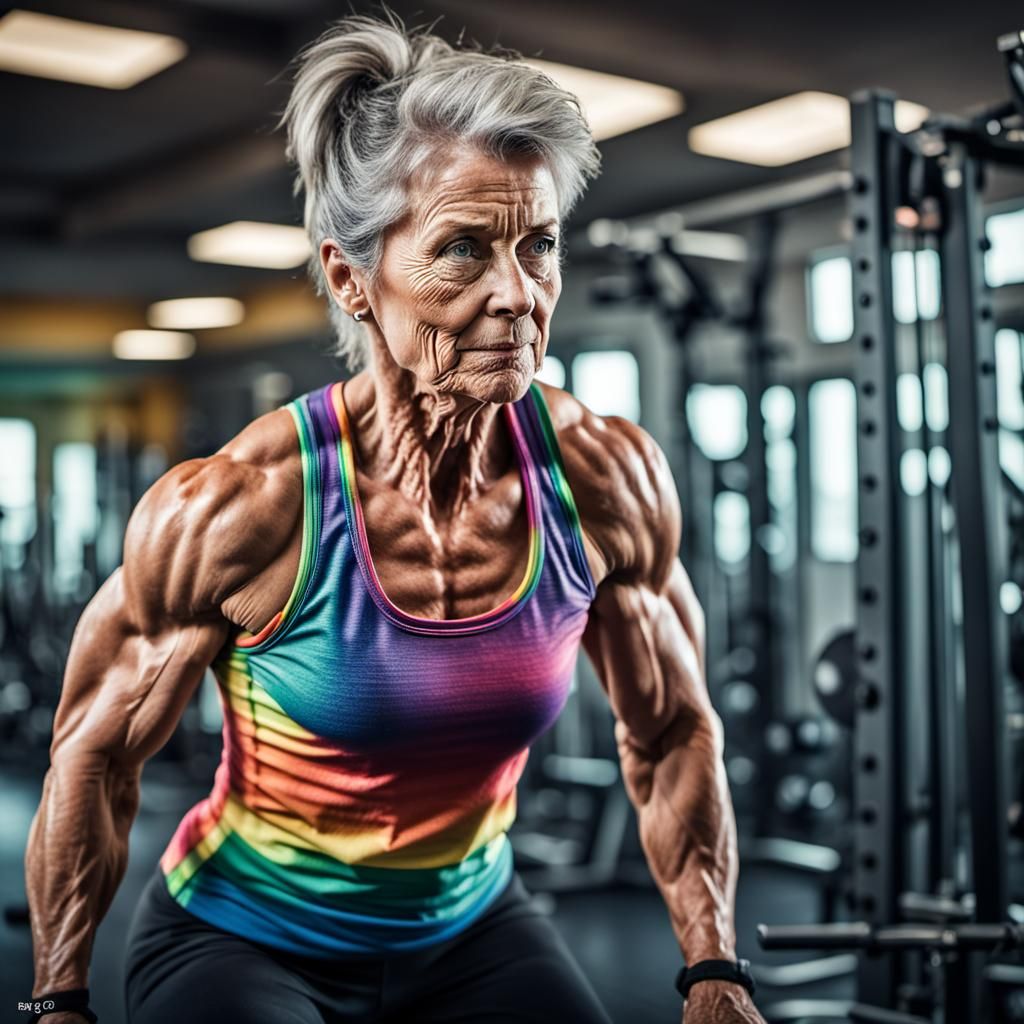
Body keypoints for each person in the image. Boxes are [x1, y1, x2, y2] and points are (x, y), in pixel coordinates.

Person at [23, 12, 764, 1024]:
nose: (518, 295)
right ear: (350, 278)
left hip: (473, 928)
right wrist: (59, 997)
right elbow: (94, 752)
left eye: (536, 245)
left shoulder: (604, 479)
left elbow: (674, 728)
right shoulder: (246, 506)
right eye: (463, 249)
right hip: (240, 935)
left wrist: (711, 969)